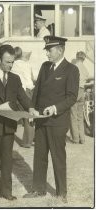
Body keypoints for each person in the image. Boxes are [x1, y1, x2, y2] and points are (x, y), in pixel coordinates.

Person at [0, 44, 38, 205]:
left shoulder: (15, 78)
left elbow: (23, 98)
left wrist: (30, 107)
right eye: (7, 62)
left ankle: (5, 191)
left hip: (8, 126)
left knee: (7, 160)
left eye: (12, 62)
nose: (10, 65)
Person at [23, 36, 79, 203]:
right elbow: (37, 89)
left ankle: (62, 192)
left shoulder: (71, 70)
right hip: (40, 119)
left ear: (60, 50)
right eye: (46, 49)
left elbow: (71, 98)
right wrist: (32, 108)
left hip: (57, 121)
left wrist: (54, 108)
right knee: (39, 156)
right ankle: (38, 189)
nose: (46, 52)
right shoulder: (45, 66)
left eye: (50, 49)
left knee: (58, 157)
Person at [11, 47, 35, 148]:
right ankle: (30, 139)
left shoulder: (13, 65)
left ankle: (27, 142)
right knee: (30, 116)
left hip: (22, 91)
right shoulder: (27, 64)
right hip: (31, 90)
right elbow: (32, 78)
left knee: (25, 115)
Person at [70, 51, 89, 144]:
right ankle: (82, 138)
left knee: (73, 115)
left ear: (77, 57)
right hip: (82, 91)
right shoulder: (85, 69)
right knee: (80, 116)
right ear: (84, 59)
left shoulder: (74, 67)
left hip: (75, 91)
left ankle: (75, 139)